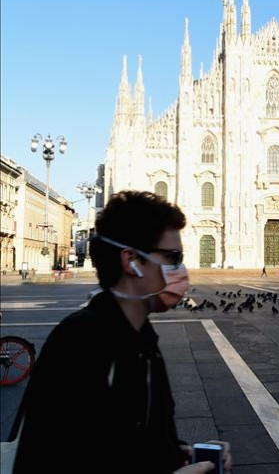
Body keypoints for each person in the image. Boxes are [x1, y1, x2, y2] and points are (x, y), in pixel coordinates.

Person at [10, 191, 231, 474]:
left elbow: (117, 447)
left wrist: (178, 453)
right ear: (131, 261)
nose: (181, 269)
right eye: (173, 257)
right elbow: (44, 460)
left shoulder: (144, 341)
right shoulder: (80, 341)